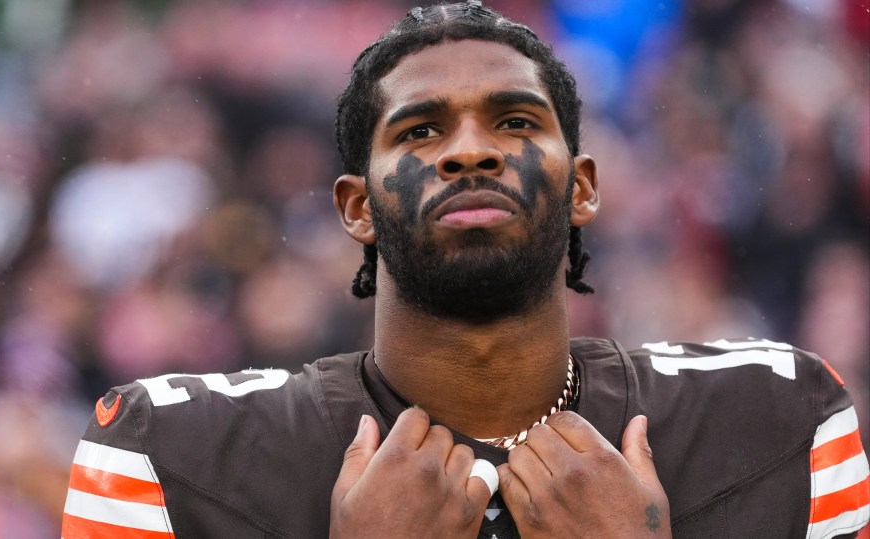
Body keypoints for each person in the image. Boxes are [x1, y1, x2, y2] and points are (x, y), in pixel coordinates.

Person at [60, 2, 869, 537]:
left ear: (582, 188)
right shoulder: (166, 455)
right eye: (419, 130)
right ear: (356, 206)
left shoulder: (780, 421)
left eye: (515, 121)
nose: (471, 150)